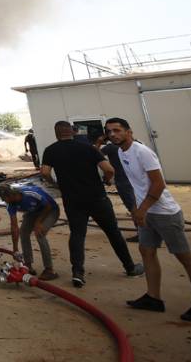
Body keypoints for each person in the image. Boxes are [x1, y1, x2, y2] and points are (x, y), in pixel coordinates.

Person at [106, 117, 191, 322]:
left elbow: (158, 184)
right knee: (146, 251)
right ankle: (153, 298)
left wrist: (143, 209)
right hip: (147, 213)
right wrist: (136, 208)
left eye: (117, 130)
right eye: (109, 131)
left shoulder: (142, 152)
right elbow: (137, 183)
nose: (113, 134)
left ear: (129, 131)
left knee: (185, 257)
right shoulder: (121, 152)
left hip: (165, 213)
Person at [40, 120, 143, 288]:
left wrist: (53, 183)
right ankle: (130, 267)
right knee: (113, 232)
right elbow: (109, 169)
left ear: (56, 133)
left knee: (77, 235)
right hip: (97, 198)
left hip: (72, 201)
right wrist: (105, 180)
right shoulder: (88, 147)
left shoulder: (51, 150)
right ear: (72, 132)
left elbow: (44, 172)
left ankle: (78, 273)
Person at [0, 184, 59, 281]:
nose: (3, 201)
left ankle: (49, 269)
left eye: (3, 198)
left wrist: (38, 223)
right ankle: (28, 264)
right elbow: (14, 226)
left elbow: (48, 206)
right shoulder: (10, 204)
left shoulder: (31, 194)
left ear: (10, 195)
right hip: (32, 211)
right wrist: (15, 249)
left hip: (50, 210)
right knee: (24, 232)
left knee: (39, 234)